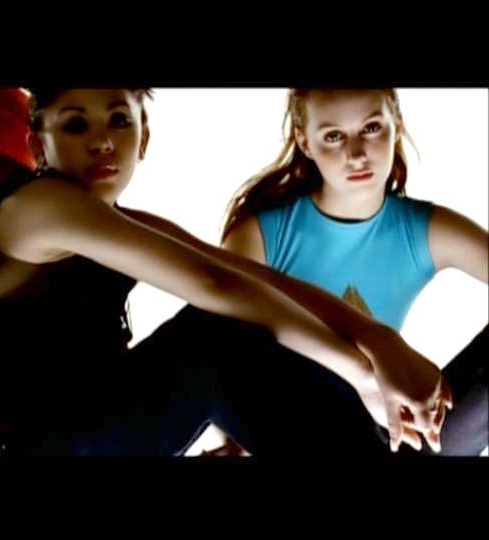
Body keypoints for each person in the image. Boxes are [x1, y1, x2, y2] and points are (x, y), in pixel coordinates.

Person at [0, 87, 448, 458]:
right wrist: (363, 371)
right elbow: (218, 289)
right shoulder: (40, 209)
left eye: (119, 119)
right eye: (75, 124)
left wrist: (376, 339)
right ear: (38, 144)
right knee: (214, 332)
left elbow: (243, 275)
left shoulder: (102, 222)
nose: (101, 141)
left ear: (143, 136)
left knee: (224, 329)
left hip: (4, 434)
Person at [209, 88, 487, 456]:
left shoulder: (422, 230)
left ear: (396, 121)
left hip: (390, 434)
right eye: (334, 136)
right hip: (291, 435)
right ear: (304, 142)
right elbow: (220, 355)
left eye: (371, 128)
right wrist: (234, 445)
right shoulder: (260, 237)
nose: (356, 154)